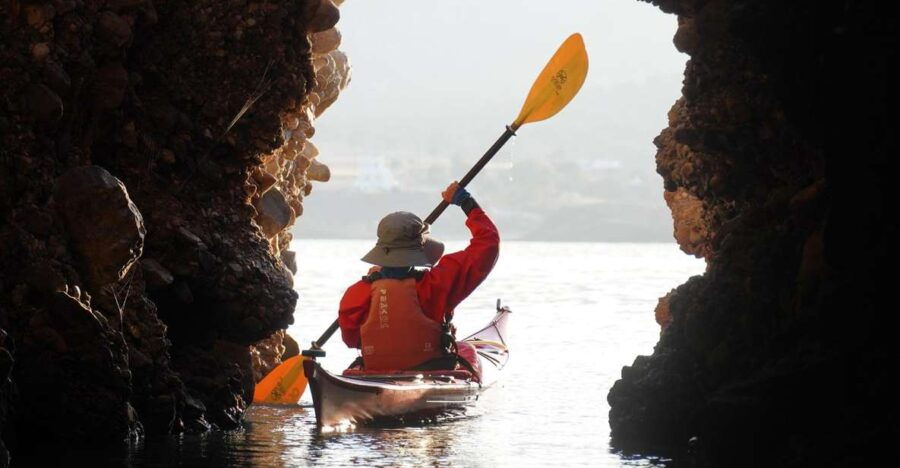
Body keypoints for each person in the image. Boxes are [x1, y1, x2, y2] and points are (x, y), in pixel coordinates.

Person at [337, 181, 500, 379]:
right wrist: (467, 203)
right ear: (419, 251)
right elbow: (488, 244)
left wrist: (378, 283)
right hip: (430, 370)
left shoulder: (357, 292)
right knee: (466, 349)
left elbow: (351, 340)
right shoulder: (438, 283)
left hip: (375, 372)